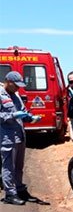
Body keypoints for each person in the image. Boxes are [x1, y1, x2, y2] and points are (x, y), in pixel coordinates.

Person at [0, 71, 41, 205]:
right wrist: (13, 116)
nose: (18, 88)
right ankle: (10, 194)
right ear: (8, 81)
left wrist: (31, 118)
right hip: (7, 137)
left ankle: (20, 189)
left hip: (20, 135)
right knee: (8, 166)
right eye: (16, 85)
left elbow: (23, 111)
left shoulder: (16, 95)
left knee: (19, 166)